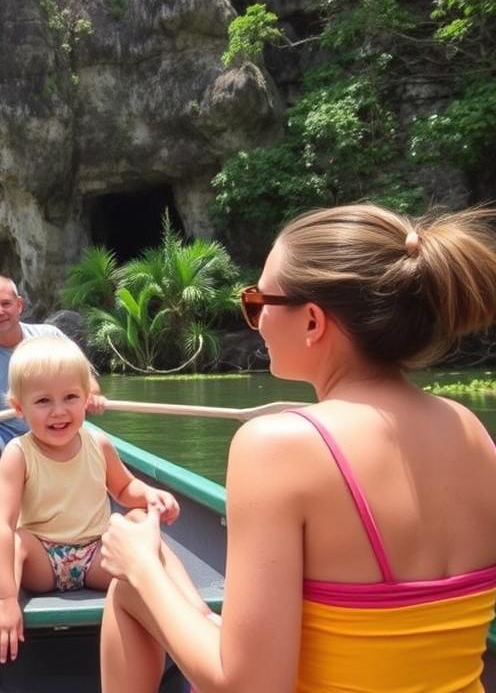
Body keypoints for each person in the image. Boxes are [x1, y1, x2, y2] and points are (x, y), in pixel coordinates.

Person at [99, 203, 496, 692]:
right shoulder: (471, 430)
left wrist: (139, 566)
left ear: (312, 321)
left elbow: (248, 687)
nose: (257, 320)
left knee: (133, 583)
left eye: (258, 302)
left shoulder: (279, 447)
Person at [0, 336, 208, 665]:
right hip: (42, 560)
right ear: (19, 408)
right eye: (43, 401)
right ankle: (3, 604)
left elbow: (125, 488)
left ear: (87, 398)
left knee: (139, 522)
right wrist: (5, 596)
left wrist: (150, 495)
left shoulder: (98, 443)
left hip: (96, 555)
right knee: (12, 540)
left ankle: (195, 609)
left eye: (70, 397)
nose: (59, 411)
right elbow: (1, 524)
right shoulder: (18, 454)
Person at [0, 275, 107, 553]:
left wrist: (93, 396)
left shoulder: (51, 337)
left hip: (58, 424)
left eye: (6, 303)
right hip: (8, 435)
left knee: (93, 438)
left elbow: (85, 381)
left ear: (19, 305)